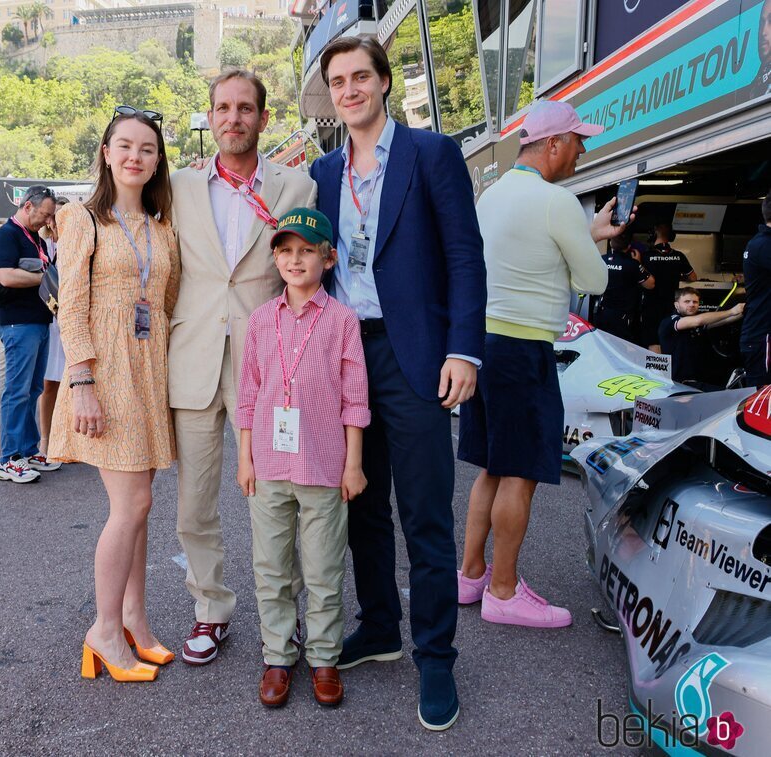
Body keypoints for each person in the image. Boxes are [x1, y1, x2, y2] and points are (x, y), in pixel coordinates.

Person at [310, 36, 487, 731]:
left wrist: (463, 350)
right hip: (343, 353)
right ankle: (380, 623)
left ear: (385, 82)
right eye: (338, 81)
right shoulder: (324, 172)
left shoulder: (432, 154)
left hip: (414, 354)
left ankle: (435, 653)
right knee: (359, 503)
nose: (349, 89)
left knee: (424, 512)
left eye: (360, 77)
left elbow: (465, 258)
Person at [458, 101, 625, 636]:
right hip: (526, 351)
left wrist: (588, 232)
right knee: (522, 472)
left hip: (484, 344)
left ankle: (471, 574)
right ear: (552, 145)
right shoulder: (558, 202)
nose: (582, 151)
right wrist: (591, 238)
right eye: (578, 141)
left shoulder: (492, 193)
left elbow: (524, 256)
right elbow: (595, 282)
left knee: (492, 466)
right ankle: (504, 592)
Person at [168, 69, 316, 665]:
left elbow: (306, 273)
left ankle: (283, 617)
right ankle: (210, 609)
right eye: (223, 108)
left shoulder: (295, 185)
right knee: (194, 502)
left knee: (279, 499)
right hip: (194, 358)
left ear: (263, 116)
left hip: (273, 366)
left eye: (245, 108)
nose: (233, 118)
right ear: (210, 115)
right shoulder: (177, 186)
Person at [49, 106, 180, 682]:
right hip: (103, 373)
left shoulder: (161, 224)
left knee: (140, 510)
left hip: (148, 371)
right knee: (131, 507)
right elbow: (71, 304)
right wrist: (81, 384)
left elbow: (169, 302)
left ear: (157, 161)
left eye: (147, 149)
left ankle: (135, 621)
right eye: (124, 146)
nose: (135, 156)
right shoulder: (81, 218)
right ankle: (103, 630)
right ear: (105, 152)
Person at [237, 208, 369, 708]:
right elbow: (249, 392)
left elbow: (355, 397)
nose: (296, 260)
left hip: (324, 466)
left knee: (323, 569)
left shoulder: (341, 321)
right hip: (268, 464)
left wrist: (353, 464)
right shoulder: (260, 320)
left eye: (307, 251)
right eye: (287, 251)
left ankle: (324, 658)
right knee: (270, 566)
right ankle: (277, 656)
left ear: (328, 259)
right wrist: (245, 458)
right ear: (275, 258)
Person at [0, 185, 60, 483]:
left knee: (32, 390)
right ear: (27, 206)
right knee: (17, 391)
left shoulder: (33, 237)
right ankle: (10, 458)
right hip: (19, 324)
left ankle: (27, 451)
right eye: (44, 214)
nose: (46, 221)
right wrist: (44, 278)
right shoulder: (7, 235)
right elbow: (5, 275)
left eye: (50, 216)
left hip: (38, 322)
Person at [38, 196, 70, 460]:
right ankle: (45, 441)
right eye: (52, 216)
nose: (54, 221)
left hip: (74, 321)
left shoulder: (80, 243)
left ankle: (72, 442)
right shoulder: (43, 244)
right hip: (52, 321)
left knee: (76, 383)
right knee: (50, 385)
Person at [660, 288, 745, 385]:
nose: (692, 304)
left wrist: (745, 310)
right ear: (676, 305)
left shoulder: (698, 321)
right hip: (678, 382)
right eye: (687, 301)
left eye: (695, 302)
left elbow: (726, 320)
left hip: (699, 379)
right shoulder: (670, 321)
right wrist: (732, 311)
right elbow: (698, 320)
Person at [641, 221, 697, 351]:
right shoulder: (678, 255)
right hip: (672, 305)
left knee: (654, 340)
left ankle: (656, 371)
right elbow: (693, 277)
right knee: (670, 337)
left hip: (651, 305)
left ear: (653, 234)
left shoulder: (645, 256)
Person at [593, 230, 655, 343]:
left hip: (601, 311)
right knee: (620, 346)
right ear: (629, 247)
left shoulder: (601, 259)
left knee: (601, 344)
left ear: (611, 243)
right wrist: (639, 263)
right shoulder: (633, 264)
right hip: (622, 315)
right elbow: (650, 284)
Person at [739, 194, 771, 387]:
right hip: (763, 336)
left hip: (759, 333)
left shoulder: (759, 242)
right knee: (762, 401)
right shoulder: (764, 245)